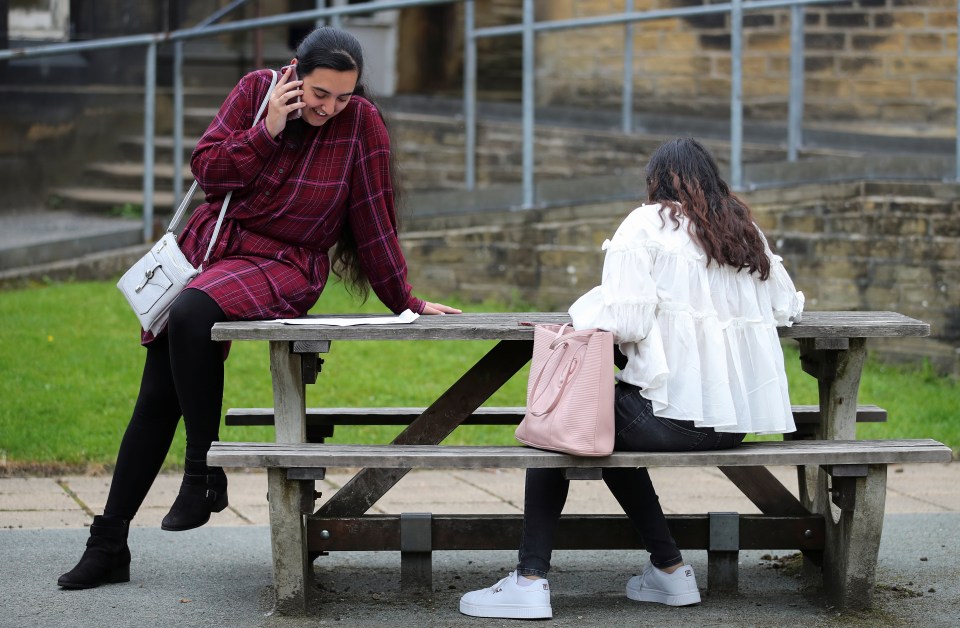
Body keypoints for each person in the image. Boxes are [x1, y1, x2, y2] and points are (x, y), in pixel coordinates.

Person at [58, 26, 460, 590]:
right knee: (156, 395)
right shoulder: (254, 93)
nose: (330, 108)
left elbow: (374, 216)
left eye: (344, 96)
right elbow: (209, 172)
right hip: (216, 252)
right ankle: (109, 544)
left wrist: (406, 300)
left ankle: (202, 469)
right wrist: (267, 130)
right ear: (295, 74)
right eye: (321, 94)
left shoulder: (361, 125)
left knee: (194, 313)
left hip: (288, 265)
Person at [459, 137, 804, 619]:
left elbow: (626, 324)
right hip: (733, 423)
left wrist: (589, 307)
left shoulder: (646, 224)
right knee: (606, 433)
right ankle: (668, 571)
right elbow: (787, 306)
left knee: (555, 430)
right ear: (711, 179)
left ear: (656, 181)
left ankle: (529, 579)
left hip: (671, 418)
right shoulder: (742, 230)